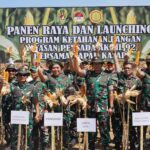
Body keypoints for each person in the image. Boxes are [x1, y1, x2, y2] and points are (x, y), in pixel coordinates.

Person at [73, 55, 114, 150]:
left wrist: (111, 106)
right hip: (90, 106)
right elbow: (77, 70)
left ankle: (105, 147)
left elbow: (111, 92)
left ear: (101, 64)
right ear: (92, 65)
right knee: (91, 129)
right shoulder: (88, 74)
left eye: (98, 63)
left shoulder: (108, 76)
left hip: (103, 107)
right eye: (94, 64)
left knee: (104, 129)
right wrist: (75, 58)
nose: (96, 65)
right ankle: (91, 147)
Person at [7, 67, 40, 150]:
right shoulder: (12, 86)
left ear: (27, 76)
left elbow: (36, 102)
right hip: (16, 115)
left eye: (24, 75)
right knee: (15, 136)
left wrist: (38, 114)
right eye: (20, 75)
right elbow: (5, 93)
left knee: (28, 136)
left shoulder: (32, 87)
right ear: (17, 76)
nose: (22, 76)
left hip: (28, 115)